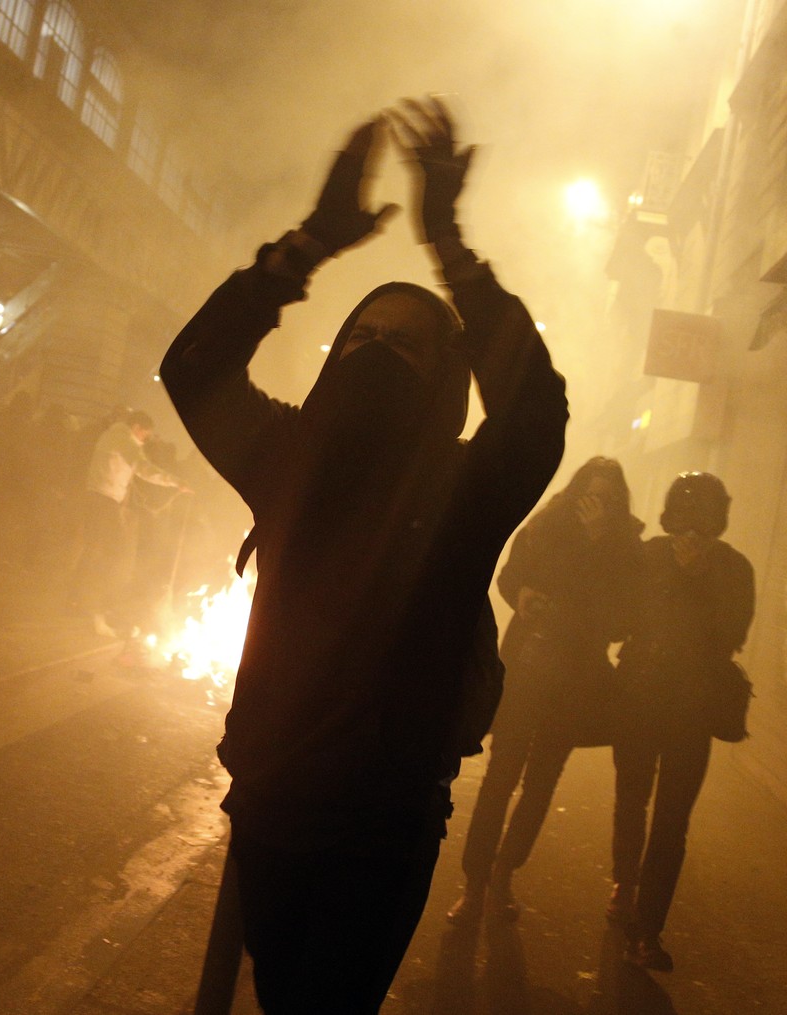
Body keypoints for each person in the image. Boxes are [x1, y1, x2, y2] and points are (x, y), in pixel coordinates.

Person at [160, 98, 567, 1012]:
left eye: (407, 347)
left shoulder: (465, 493)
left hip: (380, 829)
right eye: (366, 339)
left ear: (446, 377)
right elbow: (192, 366)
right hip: (270, 801)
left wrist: (451, 247)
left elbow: (538, 413)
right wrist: (309, 244)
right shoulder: (287, 459)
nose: (380, 355)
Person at [447, 457, 643, 925]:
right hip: (529, 665)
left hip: (578, 679)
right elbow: (510, 577)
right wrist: (524, 596)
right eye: (589, 495)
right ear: (576, 492)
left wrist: (599, 544)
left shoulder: (625, 548)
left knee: (541, 783)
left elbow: (620, 617)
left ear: (618, 505)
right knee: (502, 776)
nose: (596, 507)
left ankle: (504, 873)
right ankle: (474, 884)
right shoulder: (547, 526)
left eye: (607, 499)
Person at [611, 471, 754, 972]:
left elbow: (732, 633)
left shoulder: (734, 568)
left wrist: (696, 578)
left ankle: (647, 930)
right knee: (632, 799)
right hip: (638, 700)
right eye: (685, 522)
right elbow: (622, 617)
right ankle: (624, 883)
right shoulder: (647, 556)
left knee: (672, 821)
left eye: (704, 524)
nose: (692, 535)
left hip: (693, 709)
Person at [69, 408, 183, 636]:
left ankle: (76, 602)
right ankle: (97, 607)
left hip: (100, 499)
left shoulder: (116, 435)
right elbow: (142, 467)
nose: (145, 439)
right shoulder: (123, 438)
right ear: (137, 428)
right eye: (145, 435)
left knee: (95, 550)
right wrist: (175, 481)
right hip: (104, 501)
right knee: (116, 553)